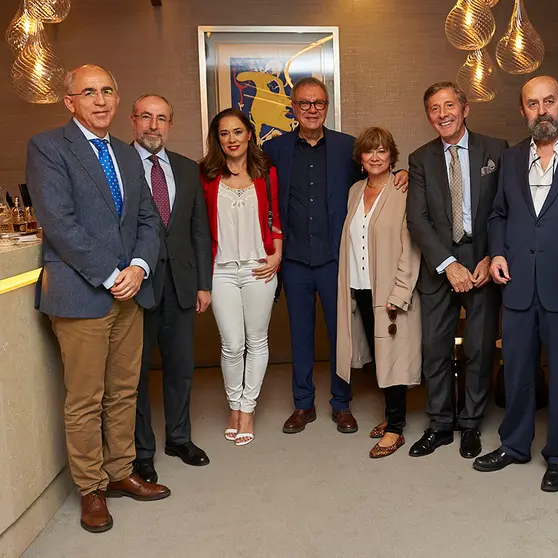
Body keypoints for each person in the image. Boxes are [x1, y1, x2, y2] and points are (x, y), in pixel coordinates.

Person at [25, 65, 170, 534]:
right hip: (81, 294)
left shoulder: (126, 155)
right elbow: (59, 222)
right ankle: (90, 488)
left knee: (124, 391)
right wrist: (111, 274)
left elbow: (148, 219)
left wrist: (138, 268)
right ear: (70, 102)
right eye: (89, 92)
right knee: (85, 399)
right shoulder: (49, 148)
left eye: (108, 90)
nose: (101, 100)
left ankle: (120, 471)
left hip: (130, 292)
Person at [262, 77, 407, 435]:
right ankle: (303, 404)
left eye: (319, 104)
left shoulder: (346, 147)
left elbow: (379, 172)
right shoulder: (276, 149)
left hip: (335, 261)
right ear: (293, 108)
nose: (312, 110)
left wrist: (406, 173)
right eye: (305, 104)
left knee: (341, 334)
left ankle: (341, 404)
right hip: (294, 260)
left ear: (327, 107)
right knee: (300, 335)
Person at [475, 76, 558, 492]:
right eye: (532, 103)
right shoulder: (510, 158)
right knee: (518, 371)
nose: (541, 110)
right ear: (523, 110)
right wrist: (499, 252)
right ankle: (514, 445)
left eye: (548, 101)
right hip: (518, 283)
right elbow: (497, 215)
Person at [406, 81, 506, 459]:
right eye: (434, 108)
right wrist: (448, 265)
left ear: (465, 109)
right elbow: (417, 219)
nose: (442, 114)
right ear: (428, 115)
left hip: (482, 261)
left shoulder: (495, 150)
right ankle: (439, 425)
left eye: (449, 106)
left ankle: (471, 424)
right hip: (439, 265)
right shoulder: (420, 159)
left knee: (479, 349)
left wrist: (489, 256)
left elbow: (505, 208)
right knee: (435, 348)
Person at [129, 94, 212, 484]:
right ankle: (141, 452)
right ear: (133, 121)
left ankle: (179, 438)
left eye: (161, 118)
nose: (153, 125)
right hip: (136, 290)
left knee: (181, 369)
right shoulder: (119, 165)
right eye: (146, 117)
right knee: (136, 374)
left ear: (170, 125)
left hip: (181, 285)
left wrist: (203, 284)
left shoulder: (185, 168)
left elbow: (199, 229)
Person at [335, 127, 422, 458]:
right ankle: (391, 418)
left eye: (382, 150)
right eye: (369, 151)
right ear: (360, 158)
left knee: (395, 357)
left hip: (389, 292)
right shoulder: (355, 191)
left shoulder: (402, 190)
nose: (375, 156)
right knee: (380, 356)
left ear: (392, 156)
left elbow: (410, 247)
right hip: (360, 288)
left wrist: (400, 292)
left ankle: (396, 430)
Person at [200, 108, 282, 446]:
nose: (232, 139)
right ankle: (234, 404)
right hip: (220, 270)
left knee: (257, 340)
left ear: (249, 134)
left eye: (237, 132)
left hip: (258, 267)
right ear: (217, 139)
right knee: (232, 344)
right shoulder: (205, 175)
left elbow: (275, 216)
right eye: (224, 134)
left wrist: (277, 254)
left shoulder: (266, 172)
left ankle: (247, 410)